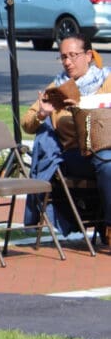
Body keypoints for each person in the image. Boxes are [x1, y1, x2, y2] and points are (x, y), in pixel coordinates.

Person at [22, 35, 111, 245]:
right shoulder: (58, 88)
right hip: (77, 155)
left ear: (88, 55)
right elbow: (27, 123)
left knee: (107, 158)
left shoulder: (107, 81)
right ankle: (110, 225)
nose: (68, 62)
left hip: (106, 143)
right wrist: (42, 114)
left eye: (73, 56)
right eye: (63, 57)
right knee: (108, 164)